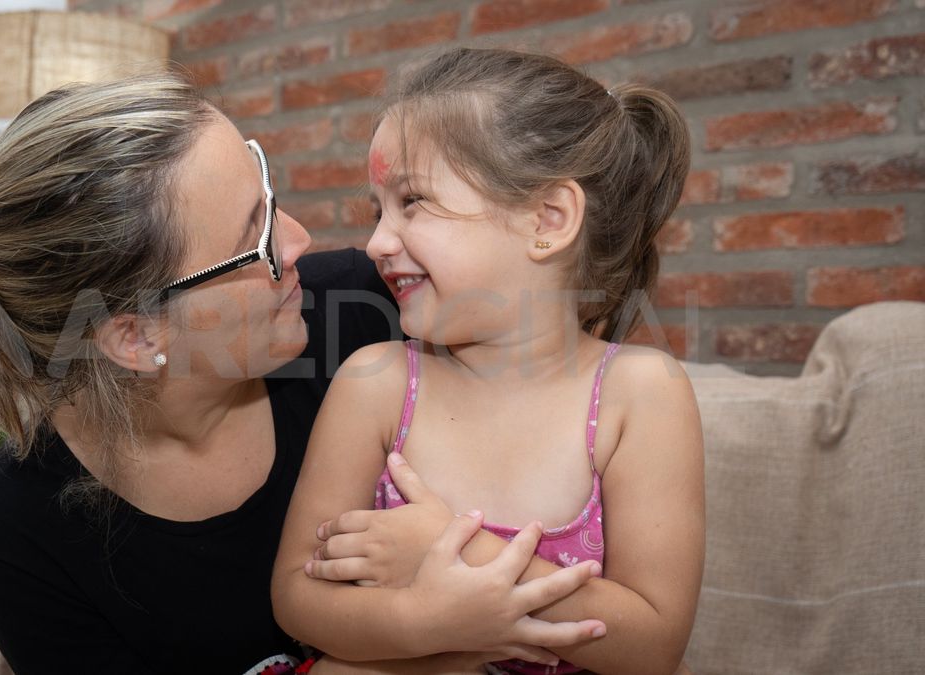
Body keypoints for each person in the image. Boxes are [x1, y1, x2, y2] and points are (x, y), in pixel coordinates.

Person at [0, 72, 605, 675]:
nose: (300, 239)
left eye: (269, 196)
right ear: (136, 334)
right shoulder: (19, 533)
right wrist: (435, 646)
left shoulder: (365, 312)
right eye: (254, 240)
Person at [272, 48, 706, 674]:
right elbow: (296, 596)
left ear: (548, 219)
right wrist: (423, 619)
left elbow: (653, 645)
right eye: (378, 210)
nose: (376, 243)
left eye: (413, 201)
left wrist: (456, 554)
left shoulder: (638, 393)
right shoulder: (377, 382)